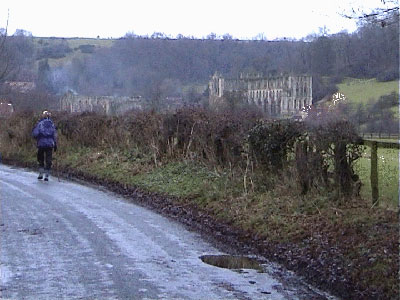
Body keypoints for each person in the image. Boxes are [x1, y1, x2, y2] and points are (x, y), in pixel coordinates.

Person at [32, 110, 58, 181]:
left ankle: (41, 173)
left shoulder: (40, 124)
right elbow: (54, 135)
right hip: (50, 144)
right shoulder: (52, 124)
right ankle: (47, 174)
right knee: (48, 159)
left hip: (41, 143)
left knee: (40, 158)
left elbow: (35, 133)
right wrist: (55, 144)